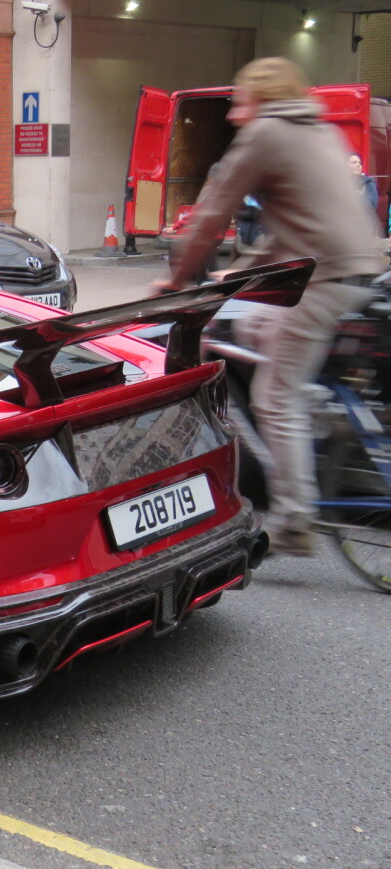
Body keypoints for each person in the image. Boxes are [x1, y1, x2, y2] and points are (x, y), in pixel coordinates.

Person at [156, 57, 383, 557]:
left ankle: (295, 520)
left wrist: (175, 280)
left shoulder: (266, 133)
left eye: (239, 102)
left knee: (275, 397)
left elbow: (212, 212)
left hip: (320, 277)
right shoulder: (316, 127)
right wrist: (239, 275)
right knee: (257, 323)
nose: (235, 114)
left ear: (258, 100)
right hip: (356, 266)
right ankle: (317, 416)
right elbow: (295, 221)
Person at [349, 153, 378, 218]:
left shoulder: (368, 183)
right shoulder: (341, 183)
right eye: (354, 162)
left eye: (359, 163)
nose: (358, 165)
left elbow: (370, 208)